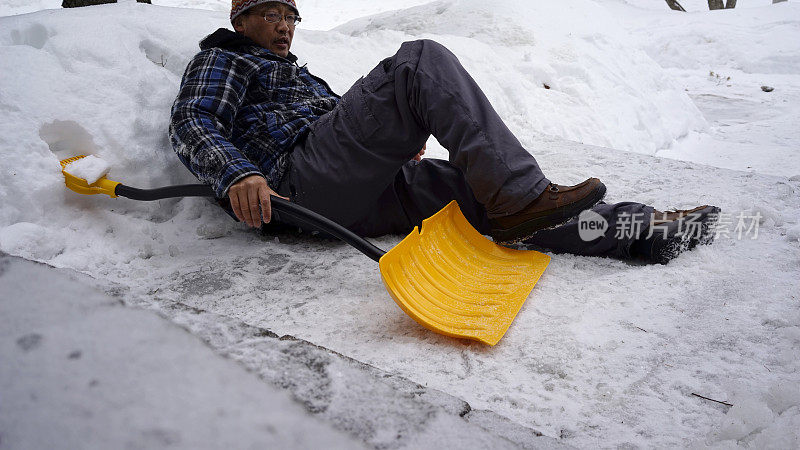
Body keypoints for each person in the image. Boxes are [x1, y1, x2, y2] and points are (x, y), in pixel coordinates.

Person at [170, 0, 720, 264]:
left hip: (349, 192)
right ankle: (520, 193)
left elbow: (342, 124)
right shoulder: (227, 57)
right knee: (418, 61)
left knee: (478, 195)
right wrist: (237, 171)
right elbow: (194, 120)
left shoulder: (296, 72)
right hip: (296, 187)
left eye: (290, 16)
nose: (284, 25)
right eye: (269, 14)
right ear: (240, 20)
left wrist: (393, 142)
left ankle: (636, 229)